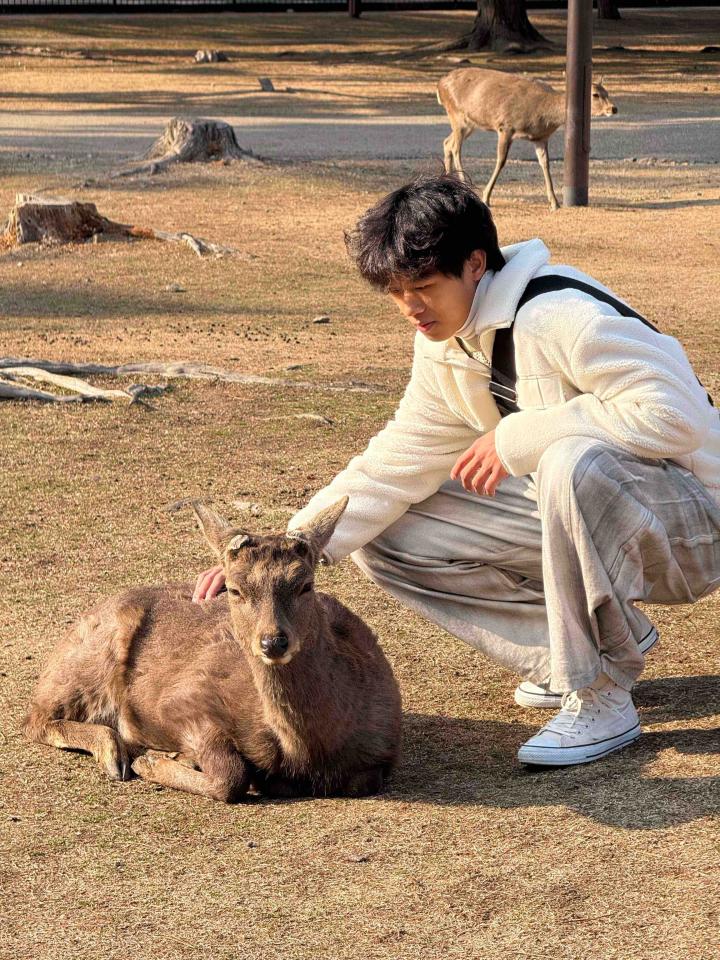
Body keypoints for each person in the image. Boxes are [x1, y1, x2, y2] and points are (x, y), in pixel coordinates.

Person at [194, 174, 720, 767]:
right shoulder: (447, 339)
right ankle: (580, 650)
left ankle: (600, 694)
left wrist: (520, 436)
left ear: (475, 264)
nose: (409, 307)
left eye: (423, 286)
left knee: (570, 460)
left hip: (696, 527)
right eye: (395, 292)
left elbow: (676, 418)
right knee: (383, 531)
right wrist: (278, 554)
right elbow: (400, 458)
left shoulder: (561, 315)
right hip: (601, 518)